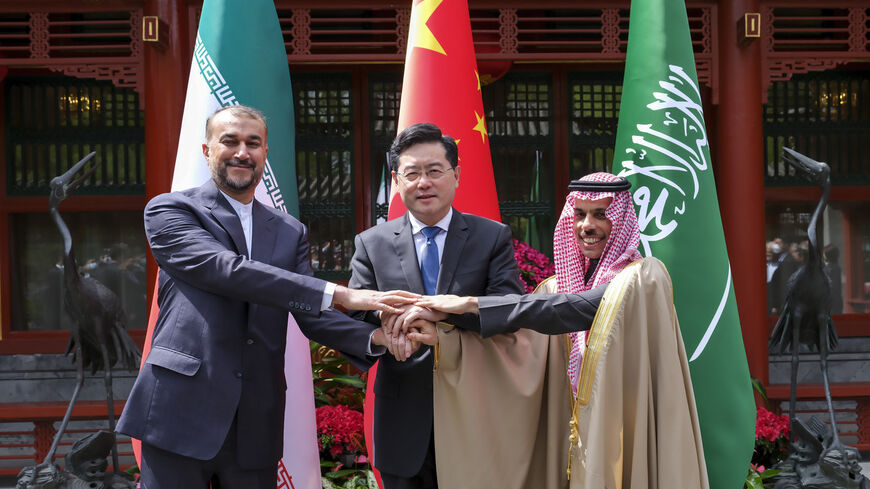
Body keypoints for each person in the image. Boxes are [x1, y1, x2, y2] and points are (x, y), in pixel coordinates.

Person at [116, 105, 417, 489]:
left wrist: (377, 338)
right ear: (207, 150)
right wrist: (343, 293)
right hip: (181, 408)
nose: (242, 152)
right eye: (230, 141)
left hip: (256, 415)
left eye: (253, 143)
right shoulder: (171, 210)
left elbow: (313, 315)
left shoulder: (289, 231)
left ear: (264, 155)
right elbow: (226, 270)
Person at [414, 173, 709, 489]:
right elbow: (518, 350)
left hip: (624, 435)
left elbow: (572, 310)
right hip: (572, 446)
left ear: (622, 220)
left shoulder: (644, 279)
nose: (587, 225)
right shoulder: (557, 287)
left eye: (600, 214)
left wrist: (469, 304)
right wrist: (448, 341)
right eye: (579, 214)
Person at [346, 122, 525, 489]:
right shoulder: (371, 243)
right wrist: (384, 320)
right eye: (412, 173)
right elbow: (355, 312)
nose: (423, 183)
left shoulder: (491, 237)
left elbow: (508, 309)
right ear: (397, 181)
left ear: (456, 175)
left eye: (434, 171)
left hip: (473, 406)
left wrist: (447, 313)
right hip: (403, 413)